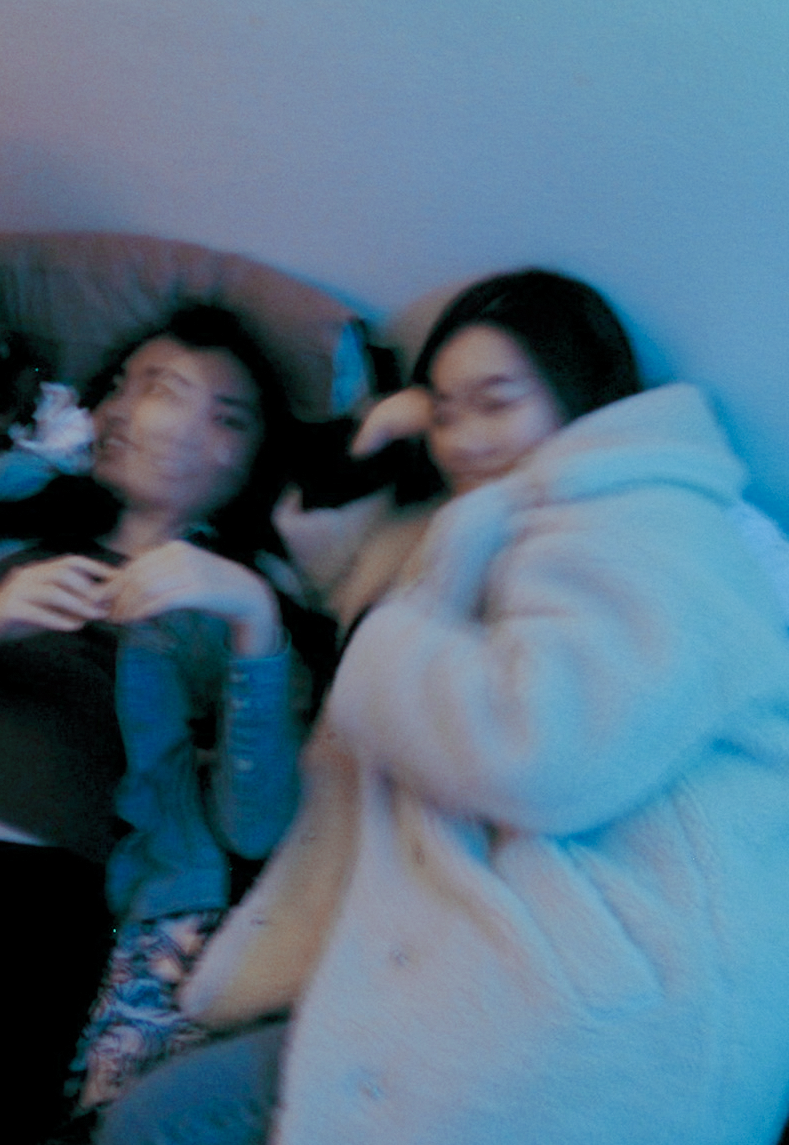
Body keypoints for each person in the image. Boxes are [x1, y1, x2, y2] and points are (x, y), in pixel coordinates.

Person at [101, 271, 789, 1145]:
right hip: (508, 955)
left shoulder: (641, 519)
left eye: (496, 402)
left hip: (612, 995)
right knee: (160, 1115)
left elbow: (535, 751)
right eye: (445, 411)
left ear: (581, 393)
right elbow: (326, 541)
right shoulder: (491, 533)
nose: (462, 439)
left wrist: (385, 637)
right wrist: (382, 436)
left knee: (161, 1123)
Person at [0, 304, 302, 1144]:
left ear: (232, 438)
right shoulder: (19, 541)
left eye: (158, 387)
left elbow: (256, 823)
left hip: (48, 890)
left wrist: (254, 618)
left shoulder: (237, 609)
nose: (117, 409)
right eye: (118, 385)